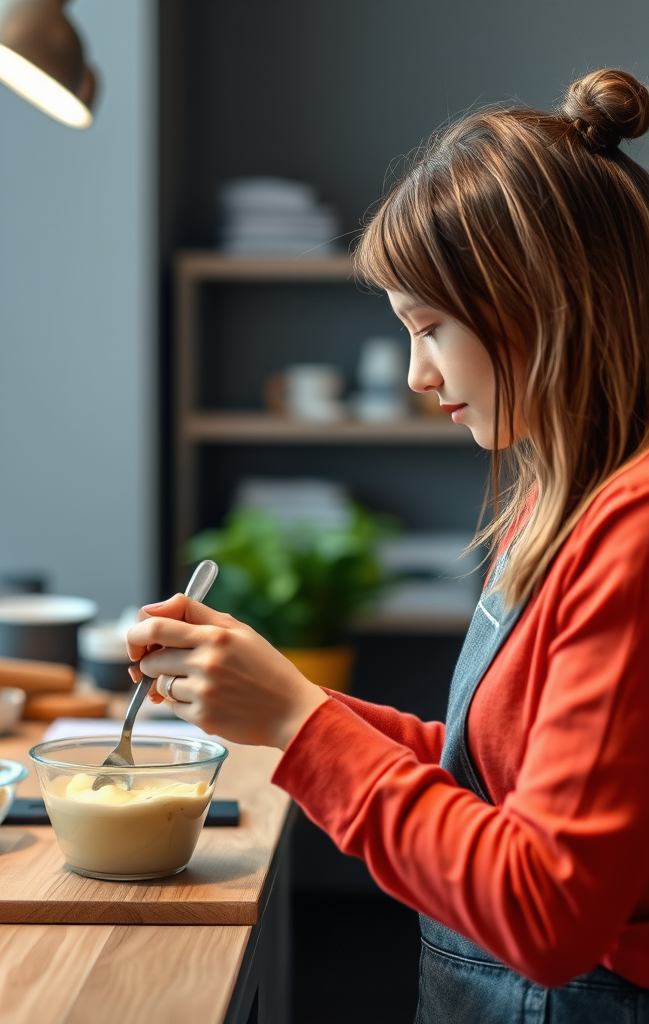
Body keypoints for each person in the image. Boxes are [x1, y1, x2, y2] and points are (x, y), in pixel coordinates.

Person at [128, 69, 649, 1020]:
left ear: (539, 302)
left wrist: (298, 721)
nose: (416, 373)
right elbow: (485, 779)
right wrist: (277, 698)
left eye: (430, 327)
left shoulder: (634, 536)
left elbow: (548, 912)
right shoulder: (560, 502)